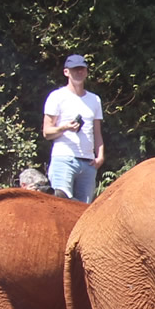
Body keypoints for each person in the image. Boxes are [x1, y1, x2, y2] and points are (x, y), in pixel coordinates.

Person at [42, 54, 105, 203]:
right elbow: (46, 132)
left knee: (85, 211)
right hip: (64, 159)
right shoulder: (56, 97)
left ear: (86, 71)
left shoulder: (94, 99)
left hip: (89, 163)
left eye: (82, 69)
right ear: (66, 72)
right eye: (75, 69)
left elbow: (97, 132)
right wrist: (64, 127)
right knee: (60, 205)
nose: (79, 72)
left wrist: (100, 156)